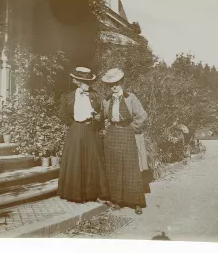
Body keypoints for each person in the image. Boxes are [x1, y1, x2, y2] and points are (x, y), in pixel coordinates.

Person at [57, 67, 110, 204]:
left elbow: (102, 114)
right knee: (76, 161)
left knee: (94, 160)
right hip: (76, 130)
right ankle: (75, 194)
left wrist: (98, 118)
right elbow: (62, 115)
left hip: (91, 130)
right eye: (86, 82)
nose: (89, 85)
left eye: (90, 82)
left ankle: (94, 194)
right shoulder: (68, 97)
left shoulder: (95, 96)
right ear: (77, 82)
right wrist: (74, 124)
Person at [102, 68, 149, 215]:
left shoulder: (131, 98)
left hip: (128, 133)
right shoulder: (106, 100)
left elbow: (142, 115)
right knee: (114, 168)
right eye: (111, 84)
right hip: (112, 135)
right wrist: (107, 128)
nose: (114, 87)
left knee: (131, 167)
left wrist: (131, 128)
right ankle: (117, 201)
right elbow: (104, 117)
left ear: (122, 83)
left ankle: (136, 202)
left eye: (116, 83)